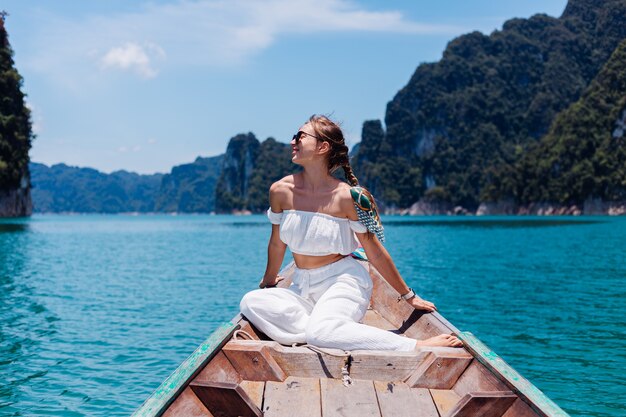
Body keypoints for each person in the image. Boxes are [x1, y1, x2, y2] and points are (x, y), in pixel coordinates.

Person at [240, 115, 462, 351]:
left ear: (322, 147)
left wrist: (409, 296)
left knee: (319, 333)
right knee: (251, 301)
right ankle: (329, 328)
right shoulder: (280, 191)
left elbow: (374, 251)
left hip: (343, 281)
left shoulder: (349, 197)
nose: (293, 141)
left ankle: (415, 344)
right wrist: (268, 280)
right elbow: (276, 243)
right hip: (302, 285)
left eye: (301, 136)